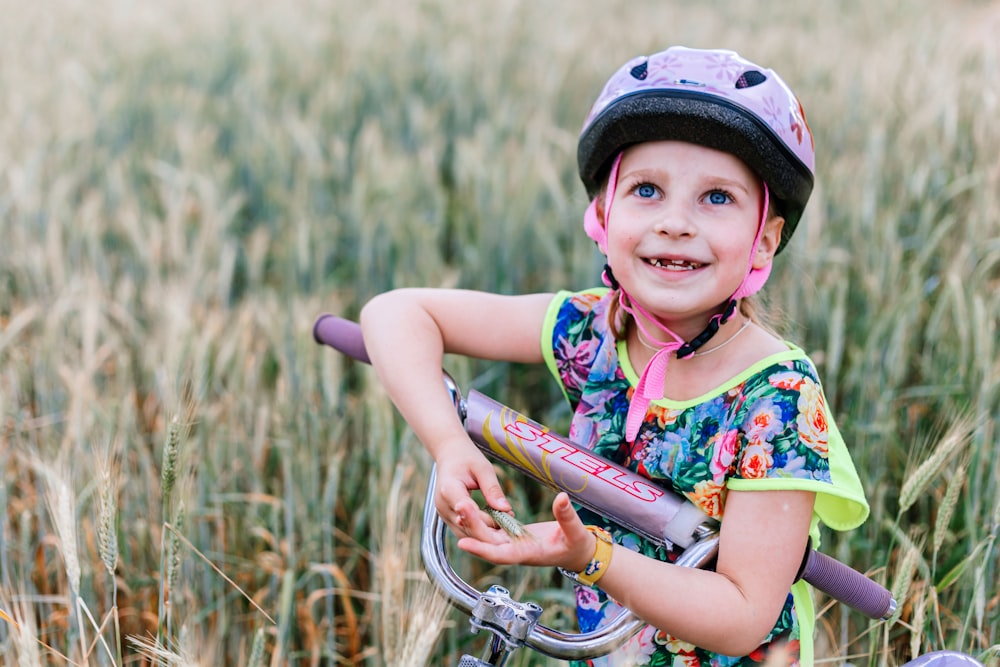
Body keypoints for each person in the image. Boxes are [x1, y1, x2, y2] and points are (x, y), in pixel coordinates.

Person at [359, 46, 870, 666]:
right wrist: (448, 443)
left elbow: (742, 617)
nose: (676, 222)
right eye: (647, 189)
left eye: (717, 198)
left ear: (764, 239)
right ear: (603, 214)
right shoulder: (589, 329)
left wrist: (592, 559)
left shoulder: (777, 397)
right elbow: (396, 314)